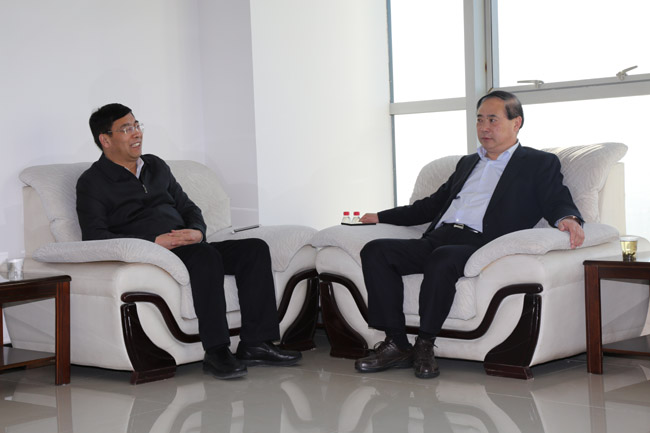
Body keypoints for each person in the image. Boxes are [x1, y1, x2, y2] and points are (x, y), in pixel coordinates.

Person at [355, 90, 585, 379]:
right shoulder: (467, 163)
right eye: (479, 120)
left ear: (516, 123)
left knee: (443, 259)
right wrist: (381, 216)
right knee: (376, 250)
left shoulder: (538, 163)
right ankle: (396, 344)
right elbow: (431, 205)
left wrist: (568, 219)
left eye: (493, 120)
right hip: (438, 238)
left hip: (481, 244)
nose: (484, 127)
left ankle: (425, 344)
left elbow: (556, 198)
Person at [77, 103, 301, 380]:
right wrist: (152, 241)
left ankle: (256, 343)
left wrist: (197, 231)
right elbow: (94, 236)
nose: (136, 133)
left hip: (190, 245)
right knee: (205, 257)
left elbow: (188, 207)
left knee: (254, 249)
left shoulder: (156, 166)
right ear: (105, 139)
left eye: (136, 125)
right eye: (126, 129)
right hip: (153, 254)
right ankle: (216, 350)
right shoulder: (92, 182)